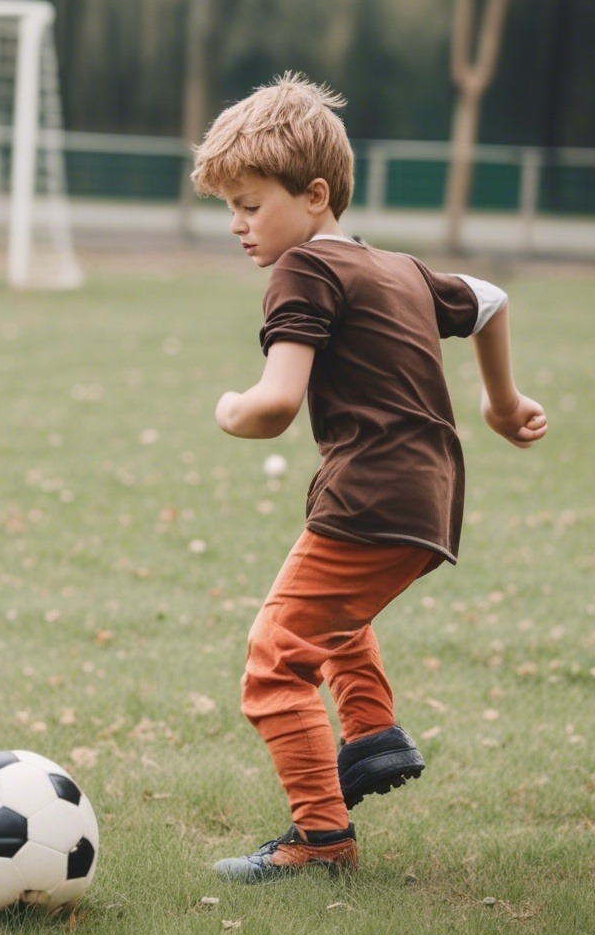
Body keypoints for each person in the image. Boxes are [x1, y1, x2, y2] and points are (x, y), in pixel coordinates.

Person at [190, 73, 547, 882]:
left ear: (314, 194)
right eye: (229, 209)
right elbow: (489, 299)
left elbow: (277, 403)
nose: (239, 226)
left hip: (371, 491)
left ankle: (321, 842)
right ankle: (374, 735)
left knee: (275, 658)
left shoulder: (304, 272)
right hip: (430, 498)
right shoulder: (399, 268)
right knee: (332, 617)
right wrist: (504, 401)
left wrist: (227, 407)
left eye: (251, 204)